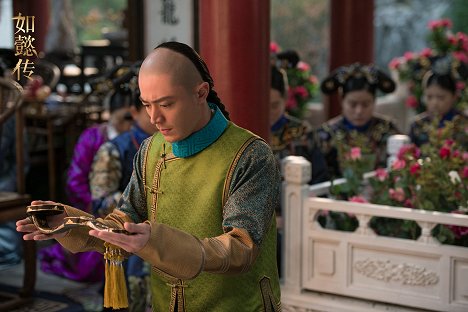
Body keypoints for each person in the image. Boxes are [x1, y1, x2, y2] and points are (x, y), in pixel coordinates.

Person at [18, 41, 281, 311]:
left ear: (201, 93)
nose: (154, 117)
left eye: (166, 104)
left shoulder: (250, 155)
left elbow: (241, 249)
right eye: (147, 105)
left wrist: (154, 241)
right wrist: (70, 223)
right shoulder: (151, 149)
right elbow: (122, 223)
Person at [38, 86, 133, 284]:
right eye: (126, 117)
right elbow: (76, 179)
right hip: (97, 207)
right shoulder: (92, 137)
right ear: (112, 113)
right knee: (93, 264)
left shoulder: (140, 139)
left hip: (129, 206)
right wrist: (96, 205)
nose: (130, 123)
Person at [90, 88, 157, 312]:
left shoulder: (168, 145)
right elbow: (100, 200)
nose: (157, 116)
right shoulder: (115, 148)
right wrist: (148, 201)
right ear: (134, 112)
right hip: (127, 234)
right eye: (148, 108)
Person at [317, 63, 400, 177]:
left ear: (374, 101)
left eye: (366, 104)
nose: (359, 111)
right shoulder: (326, 134)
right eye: (352, 104)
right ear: (342, 101)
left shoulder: (388, 130)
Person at [409, 65, 468, 148]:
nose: (434, 103)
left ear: (454, 97)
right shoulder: (418, 125)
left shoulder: (464, 123)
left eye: (441, 97)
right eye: (429, 97)